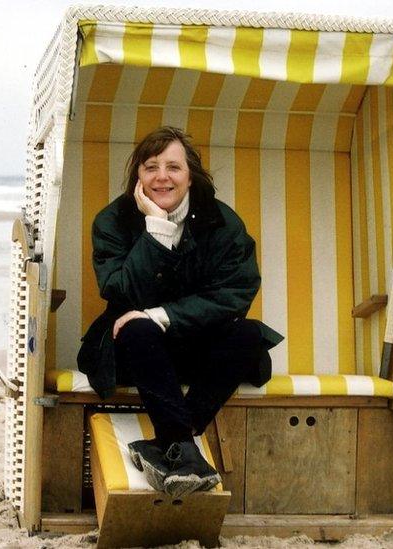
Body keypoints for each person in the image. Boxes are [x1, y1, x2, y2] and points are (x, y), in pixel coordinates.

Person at [77, 126, 283, 497]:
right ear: (137, 176)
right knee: (137, 329)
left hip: (195, 349)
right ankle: (184, 447)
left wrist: (160, 315)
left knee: (250, 334)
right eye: (150, 167)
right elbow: (120, 290)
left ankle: (170, 442)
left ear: (190, 176)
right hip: (135, 352)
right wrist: (155, 228)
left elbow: (236, 293)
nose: (161, 177)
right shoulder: (113, 220)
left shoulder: (221, 222)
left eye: (173, 167)